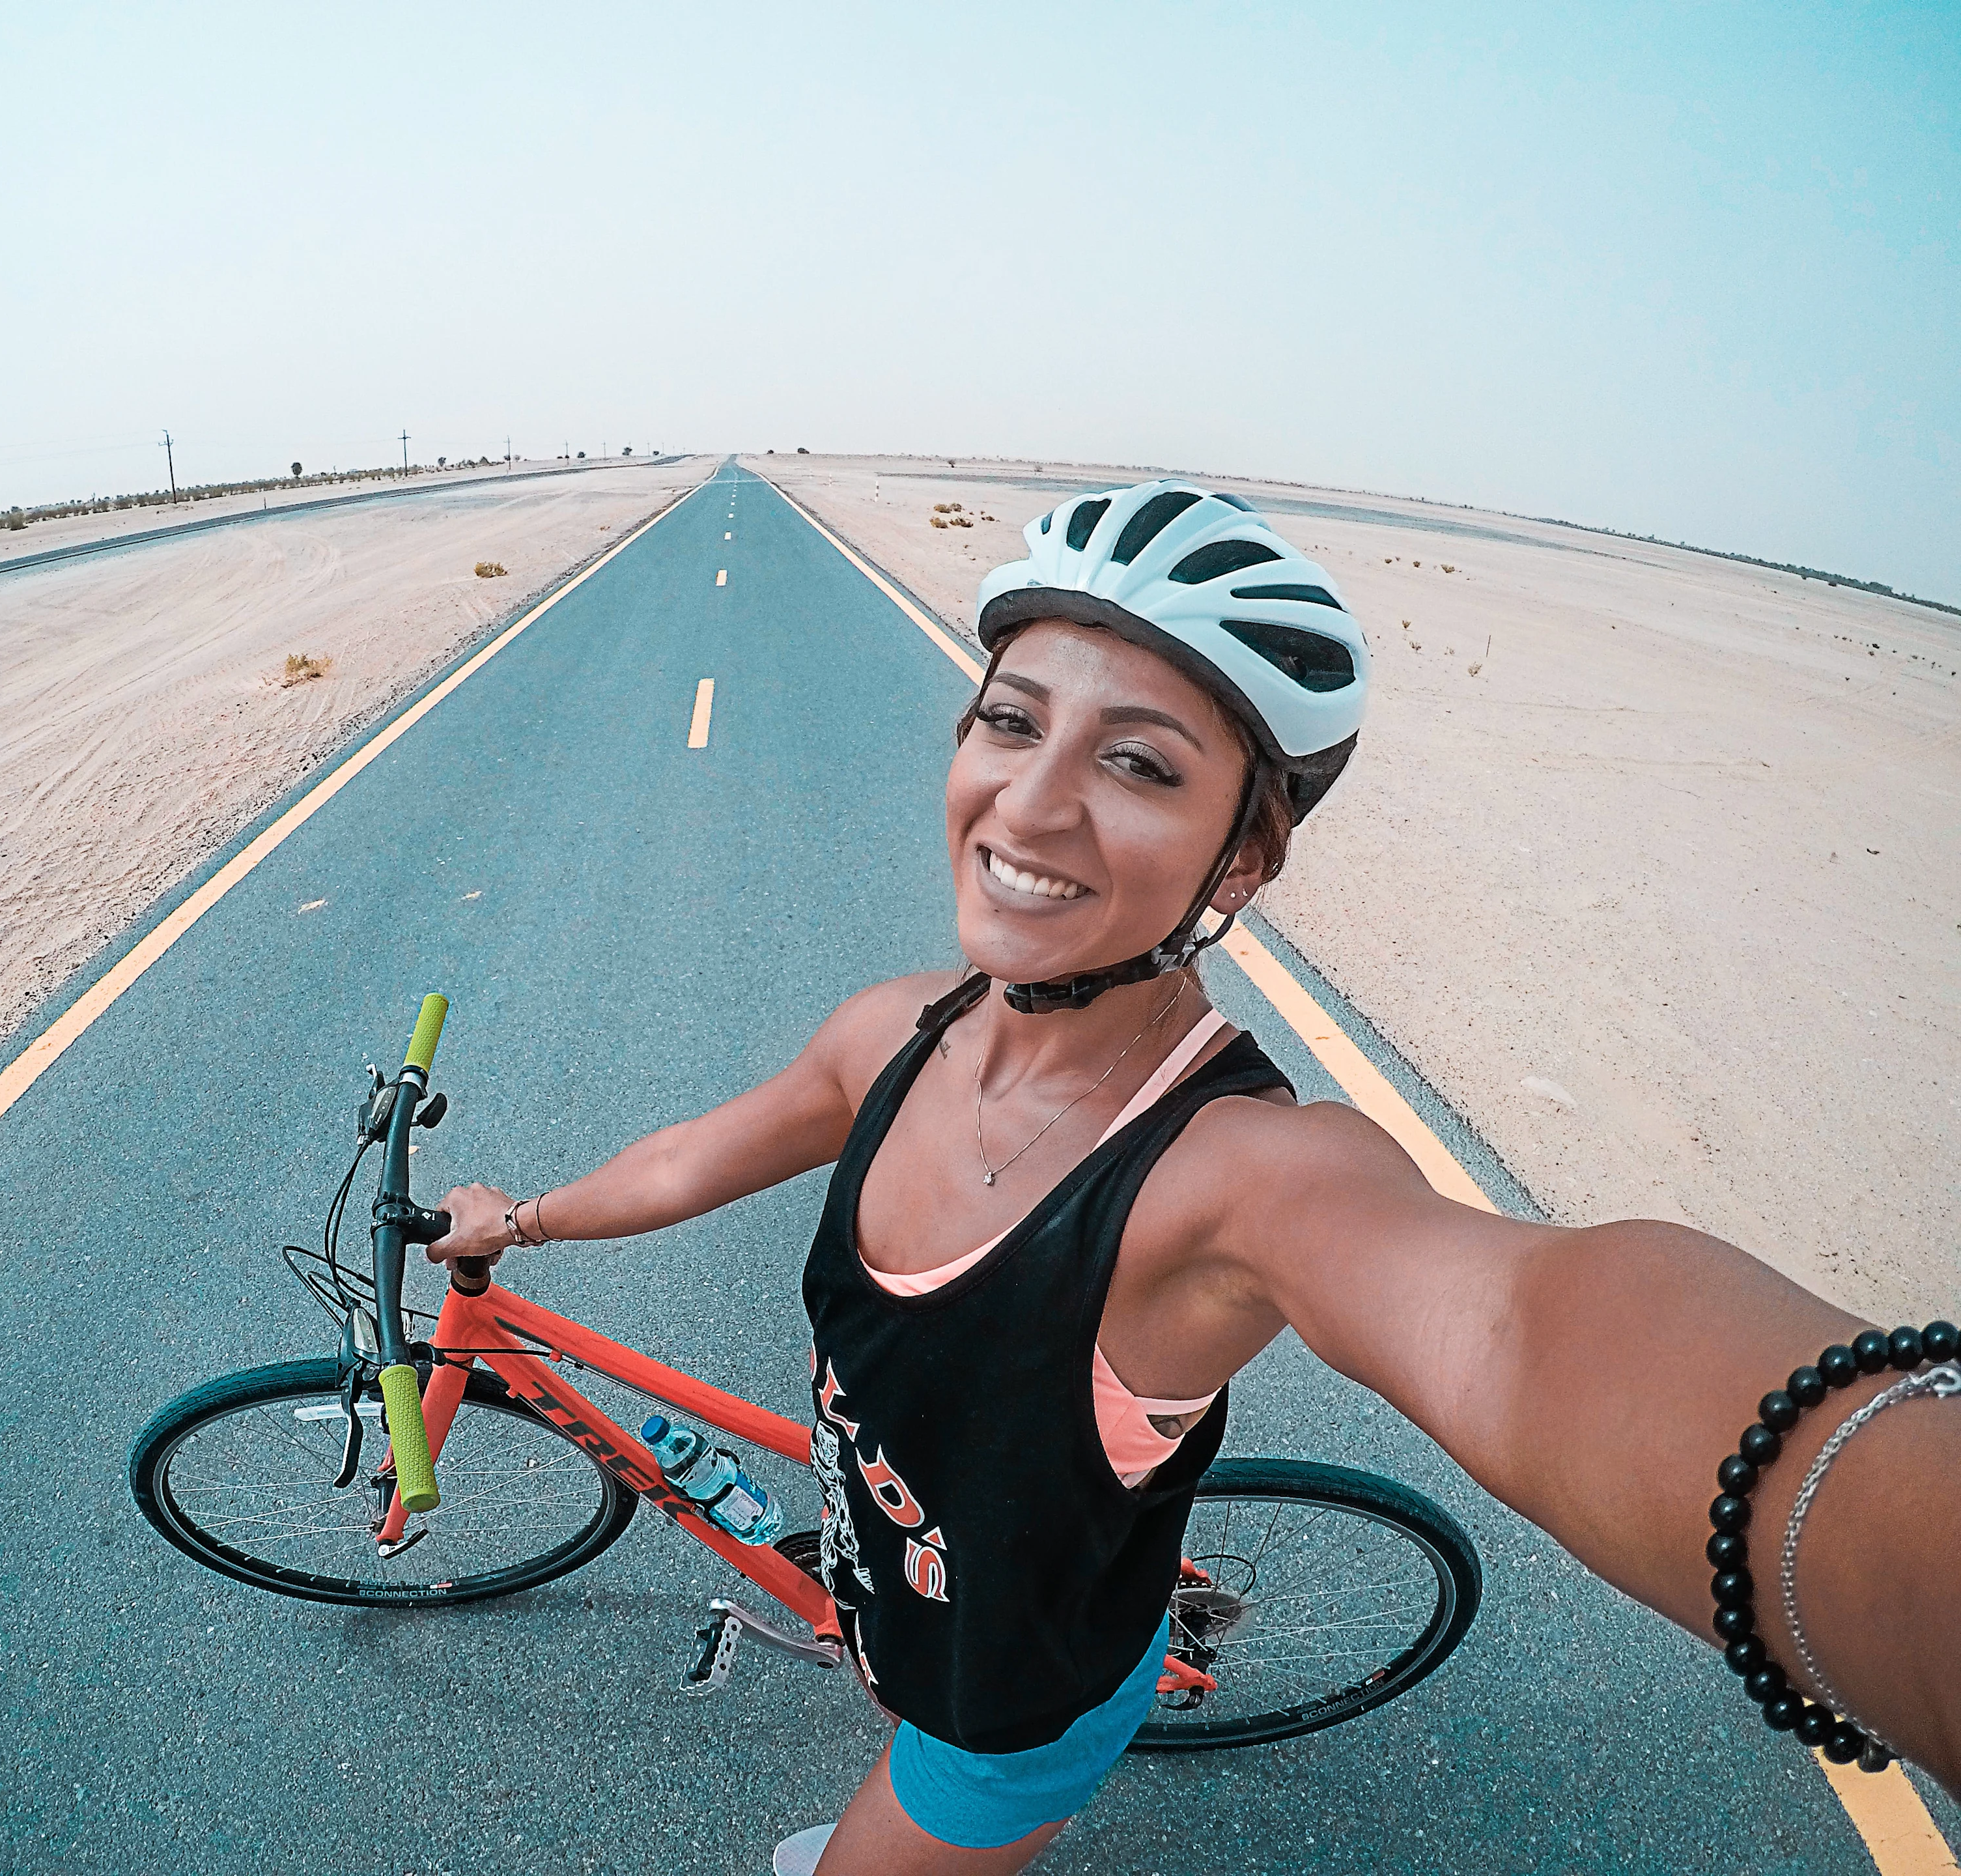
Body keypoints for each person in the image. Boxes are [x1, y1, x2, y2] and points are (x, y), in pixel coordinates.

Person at [425, 482, 1960, 1873]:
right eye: (1011, 722)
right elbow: (701, 1151)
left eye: (1140, 764)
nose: (1027, 807)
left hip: (998, 1721)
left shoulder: (1240, 1177)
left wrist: (1896, 1532)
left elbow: (1529, 1330)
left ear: (1239, 862)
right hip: (916, 1591)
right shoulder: (889, 1034)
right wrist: (527, 1220)